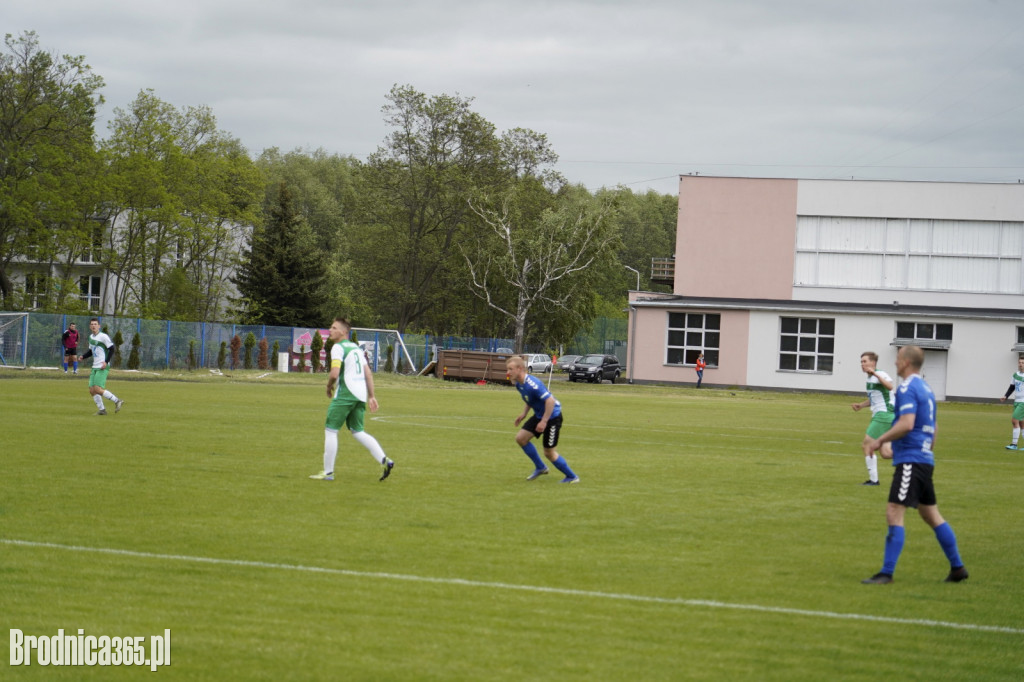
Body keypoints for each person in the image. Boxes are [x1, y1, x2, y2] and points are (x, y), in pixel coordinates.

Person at [861, 345, 967, 584]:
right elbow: (934, 427)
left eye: (898, 359)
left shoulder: (907, 387)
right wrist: (917, 450)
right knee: (931, 515)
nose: (896, 363)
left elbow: (907, 424)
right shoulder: (926, 389)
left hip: (912, 461)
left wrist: (880, 440)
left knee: (894, 512)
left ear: (907, 362)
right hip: (921, 459)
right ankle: (958, 568)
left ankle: (886, 573)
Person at [310, 317, 394, 482]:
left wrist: (328, 386)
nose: (330, 330)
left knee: (331, 430)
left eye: (334, 328)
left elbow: (334, 373)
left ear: (343, 332)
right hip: (360, 394)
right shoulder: (355, 348)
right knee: (358, 431)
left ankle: (328, 473)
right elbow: (368, 373)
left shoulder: (338, 347)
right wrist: (371, 396)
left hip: (346, 394)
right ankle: (385, 460)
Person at [506, 355, 580, 483]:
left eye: (510, 369)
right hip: (540, 415)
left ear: (520, 369)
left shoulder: (533, 384)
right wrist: (523, 414)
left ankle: (572, 477)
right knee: (521, 438)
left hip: (552, 416)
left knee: (549, 453)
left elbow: (550, 401)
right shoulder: (519, 384)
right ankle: (540, 467)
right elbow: (531, 399)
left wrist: (544, 422)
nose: (508, 372)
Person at [850, 351, 894, 485]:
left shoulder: (880, 374)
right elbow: (875, 399)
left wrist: (876, 374)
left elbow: (890, 386)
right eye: (861, 362)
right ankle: (912, 455)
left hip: (884, 415)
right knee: (886, 453)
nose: (862, 364)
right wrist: (861, 405)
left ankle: (874, 481)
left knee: (866, 445)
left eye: (865, 361)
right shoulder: (869, 378)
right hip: (881, 415)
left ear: (873, 363)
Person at [80, 318, 124, 416]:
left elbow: (112, 349)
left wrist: (106, 361)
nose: (93, 326)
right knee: (92, 390)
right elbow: (91, 351)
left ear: (99, 326)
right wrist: (83, 356)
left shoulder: (103, 336)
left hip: (102, 366)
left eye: (95, 324)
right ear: (90, 326)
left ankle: (117, 401)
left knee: (97, 389)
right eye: (92, 324)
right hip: (95, 366)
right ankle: (102, 410)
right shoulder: (91, 337)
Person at [998, 355, 1024, 450]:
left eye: (1023, 363)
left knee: (1014, 420)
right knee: (1021, 424)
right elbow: (1012, 387)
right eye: (1020, 363)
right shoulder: (1015, 375)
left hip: (1023, 402)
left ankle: (1014, 444)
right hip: (1017, 401)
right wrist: (1006, 396)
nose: (1021, 365)